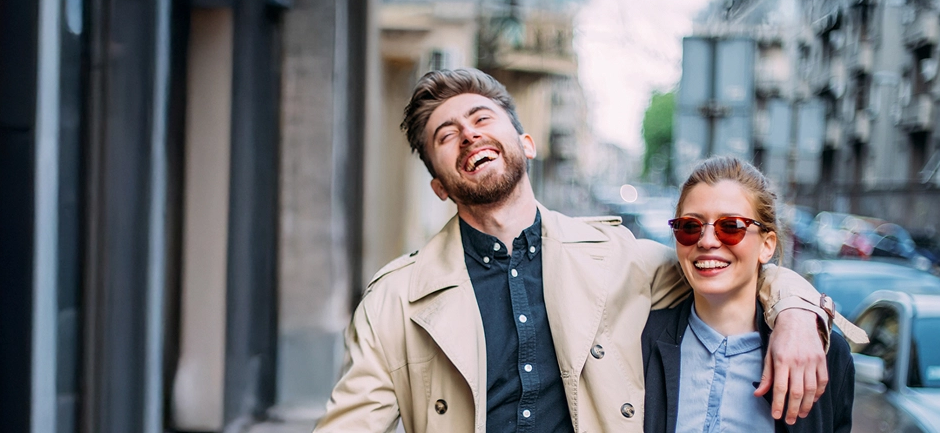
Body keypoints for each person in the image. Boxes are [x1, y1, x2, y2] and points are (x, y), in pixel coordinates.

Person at [315, 69, 836, 433]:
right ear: (440, 187)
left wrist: (794, 312)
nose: (469, 134)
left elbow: (725, 262)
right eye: (446, 136)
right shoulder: (395, 301)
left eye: (481, 118)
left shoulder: (618, 257)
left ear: (526, 142)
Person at [642, 157, 861, 433]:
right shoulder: (640, 340)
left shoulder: (825, 358)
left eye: (731, 226)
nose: (707, 241)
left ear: (767, 246)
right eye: (690, 227)